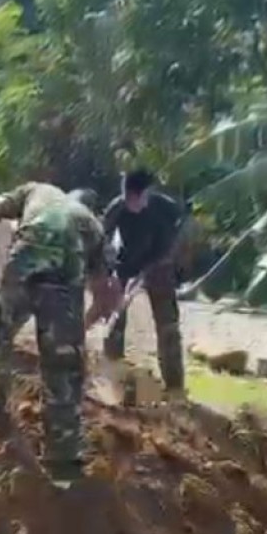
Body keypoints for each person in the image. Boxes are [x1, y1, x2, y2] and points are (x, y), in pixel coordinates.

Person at [0, 183, 119, 483]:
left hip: (24, 262)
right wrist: (78, 330)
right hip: (65, 279)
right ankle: (63, 457)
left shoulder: (36, 191)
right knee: (63, 365)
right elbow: (102, 292)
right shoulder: (93, 227)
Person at [101, 168, 188, 399]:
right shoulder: (117, 208)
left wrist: (147, 274)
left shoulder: (165, 208)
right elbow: (102, 239)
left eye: (137, 199)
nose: (132, 203)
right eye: (128, 198)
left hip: (160, 266)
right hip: (126, 264)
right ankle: (113, 376)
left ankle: (175, 387)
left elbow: (179, 232)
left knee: (168, 326)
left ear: (147, 194)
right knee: (115, 319)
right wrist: (111, 274)